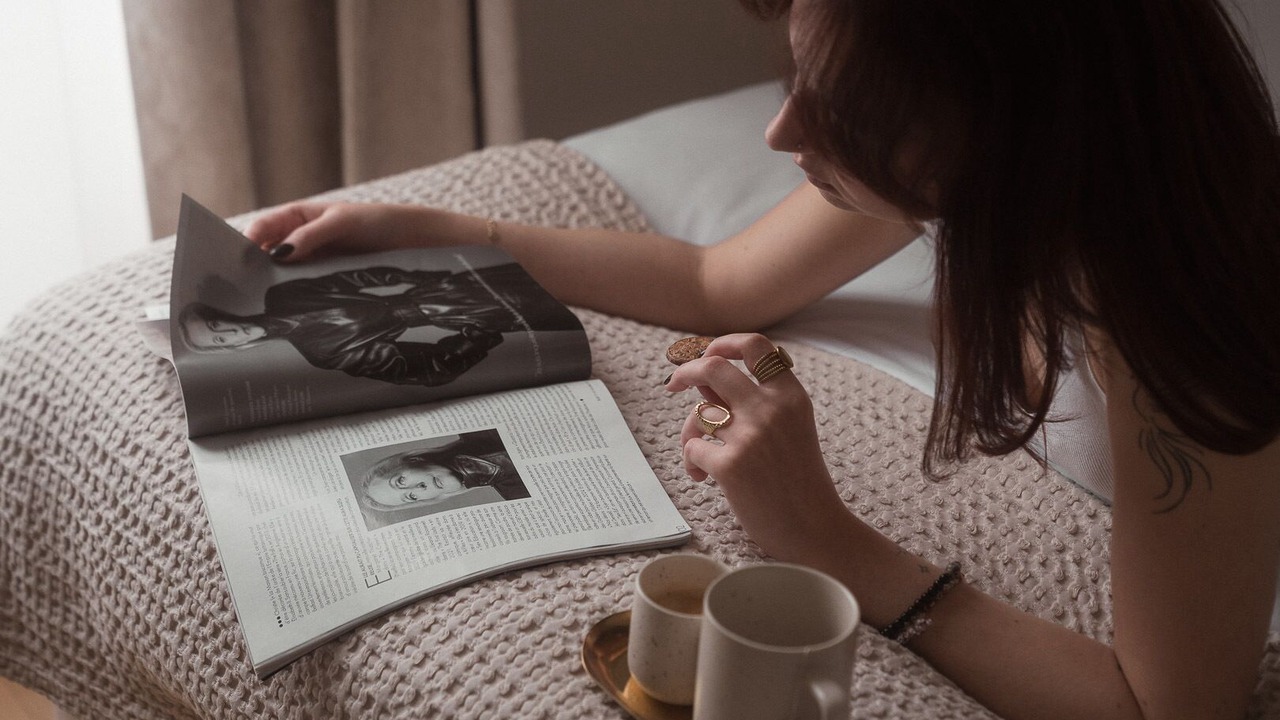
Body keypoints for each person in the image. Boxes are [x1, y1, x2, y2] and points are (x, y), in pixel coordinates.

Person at [245, 0, 1280, 717]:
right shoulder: (995, 179)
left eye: (843, 111)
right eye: (797, 78)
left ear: (1011, 119)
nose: (783, 130)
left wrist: (826, 542)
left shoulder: (1174, 329)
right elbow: (715, 284)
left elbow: (1165, 704)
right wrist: (435, 230)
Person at [178, 263, 579, 386]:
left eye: (217, 327)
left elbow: (361, 279)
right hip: (467, 316)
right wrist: (476, 338)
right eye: (219, 343)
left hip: (451, 284)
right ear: (231, 352)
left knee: (563, 278)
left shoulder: (285, 296)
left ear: (223, 316)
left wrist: (428, 280)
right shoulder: (320, 353)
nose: (228, 335)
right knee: (556, 312)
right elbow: (425, 369)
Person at [359, 432, 530, 512]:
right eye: (411, 496)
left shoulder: (477, 430)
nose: (419, 488)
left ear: (414, 461)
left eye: (400, 481)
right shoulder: (518, 495)